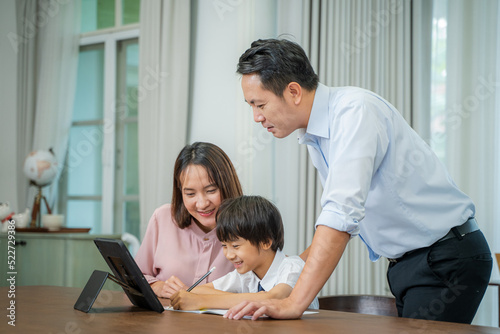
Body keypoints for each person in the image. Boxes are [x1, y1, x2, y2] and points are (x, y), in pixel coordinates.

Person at [225, 38, 492, 323]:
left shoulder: (355, 112)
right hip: (411, 263)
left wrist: (293, 303)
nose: (256, 117)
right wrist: (290, 269)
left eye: (260, 104)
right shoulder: (318, 134)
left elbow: (341, 215)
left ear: (293, 91)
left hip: (446, 255)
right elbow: (340, 218)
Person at [169, 195, 319, 311]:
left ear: (266, 242)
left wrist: (200, 302)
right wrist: (188, 294)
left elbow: (274, 297)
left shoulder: (292, 268)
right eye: (224, 246)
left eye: (235, 245)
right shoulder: (247, 274)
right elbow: (197, 290)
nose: (229, 255)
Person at [135, 142, 243, 298]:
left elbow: (266, 287)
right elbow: (134, 278)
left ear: (227, 185)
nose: (202, 203)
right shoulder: (162, 218)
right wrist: (158, 286)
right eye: (190, 194)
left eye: (211, 190)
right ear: (180, 193)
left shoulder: (249, 226)